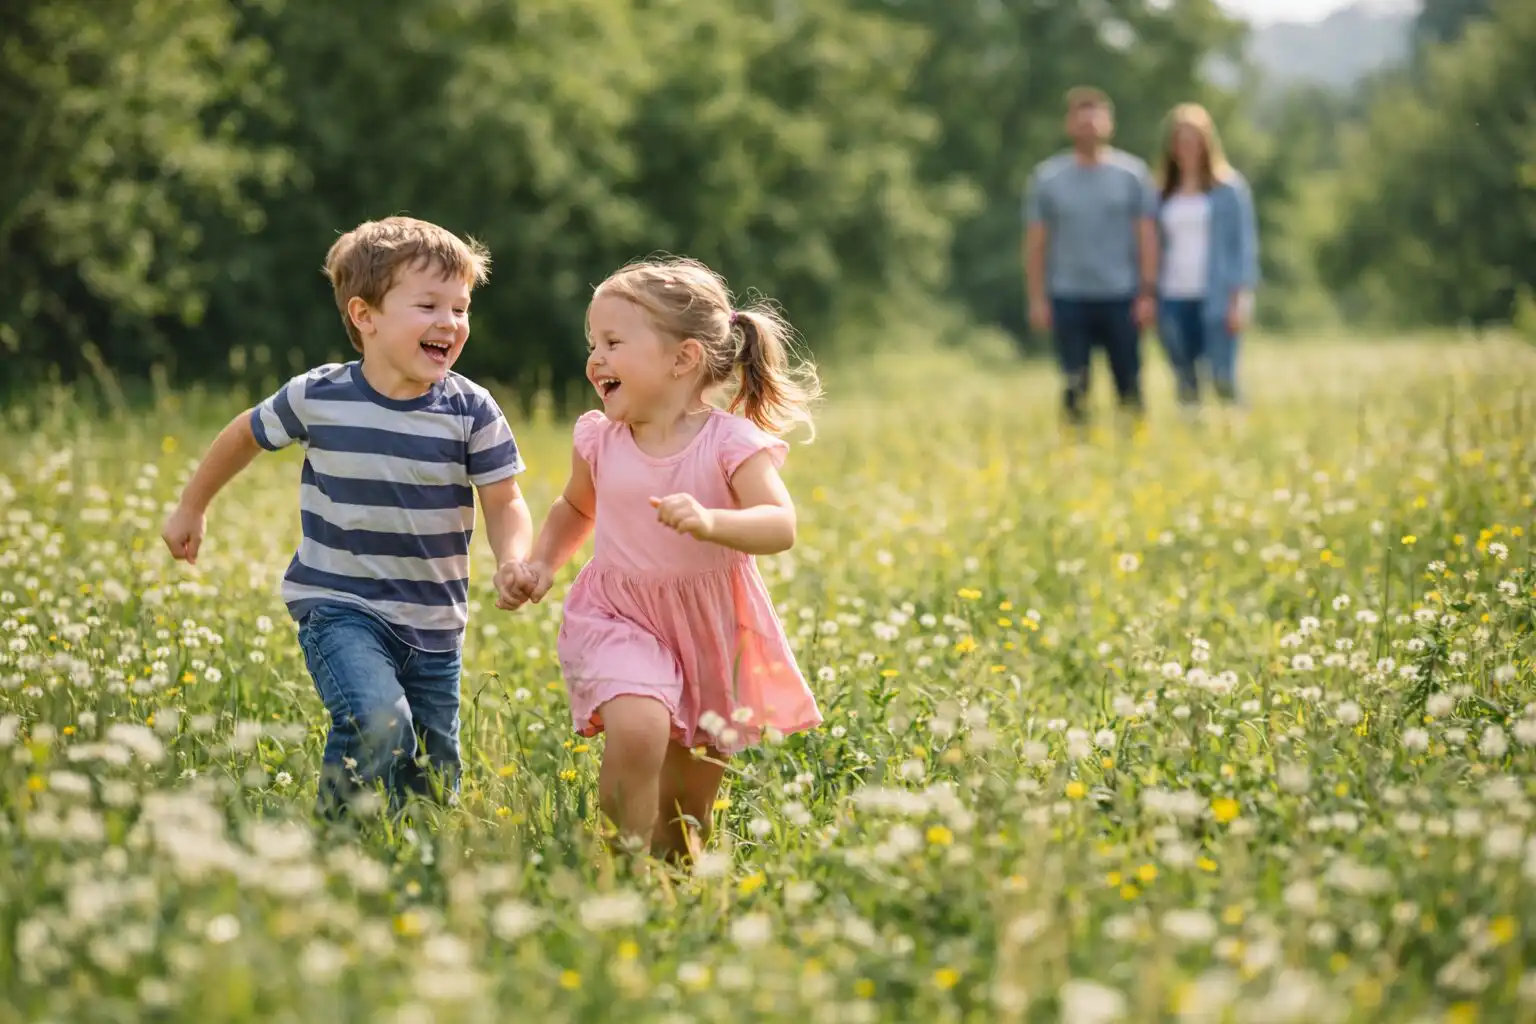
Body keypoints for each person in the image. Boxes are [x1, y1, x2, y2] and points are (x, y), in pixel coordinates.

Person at [160, 216, 533, 820]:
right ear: (366, 316)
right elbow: (244, 435)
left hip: (435, 623)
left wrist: (514, 558)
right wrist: (191, 505)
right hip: (339, 605)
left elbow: (505, 499)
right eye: (429, 305)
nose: (451, 322)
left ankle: (411, 860)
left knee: (432, 786)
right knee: (379, 721)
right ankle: (337, 832)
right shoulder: (319, 395)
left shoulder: (471, 409)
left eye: (461, 309)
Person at [496, 256, 822, 863]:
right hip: (619, 613)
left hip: (708, 627)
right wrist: (541, 563)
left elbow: (780, 526)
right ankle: (615, 864)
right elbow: (575, 506)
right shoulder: (600, 437)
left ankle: (667, 879)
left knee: (686, 816)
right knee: (639, 725)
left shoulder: (730, 442)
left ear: (683, 358)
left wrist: (712, 521)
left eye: (613, 342)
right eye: (593, 343)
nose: (595, 359)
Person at [1024, 86, 1160, 427]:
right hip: (1069, 294)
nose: (1088, 126)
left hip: (1121, 294)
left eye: (1095, 118)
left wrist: (1147, 293)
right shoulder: (1048, 178)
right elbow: (1036, 242)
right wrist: (1037, 298)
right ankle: (1076, 451)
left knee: (1129, 380)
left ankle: (1135, 444)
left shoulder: (1132, 175)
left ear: (1109, 124)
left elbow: (1146, 237)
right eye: (1080, 119)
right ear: (1069, 125)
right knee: (1074, 382)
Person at [1154, 102, 1260, 408]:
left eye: (1194, 139)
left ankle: (1235, 428)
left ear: (1206, 142)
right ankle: (1193, 437)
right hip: (1173, 294)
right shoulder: (1162, 192)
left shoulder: (1229, 189)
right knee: (1184, 377)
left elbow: (1244, 246)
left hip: (1217, 295)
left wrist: (1240, 299)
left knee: (1222, 375)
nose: (1187, 147)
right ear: (1172, 146)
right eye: (1181, 139)